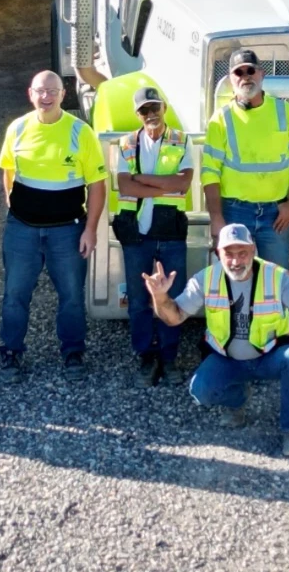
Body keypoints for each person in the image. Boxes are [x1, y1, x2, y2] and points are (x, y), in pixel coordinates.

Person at [143, 223, 289, 458]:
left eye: (242, 253)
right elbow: (174, 317)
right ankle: (238, 400)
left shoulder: (276, 276)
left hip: (268, 356)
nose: (236, 261)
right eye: (229, 254)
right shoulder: (205, 279)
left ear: (254, 249)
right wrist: (160, 296)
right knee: (200, 391)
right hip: (228, 359)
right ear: (218, 254)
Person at [0, 70, 107, 382]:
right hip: (22, 229)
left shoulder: (80, 132)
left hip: (67, 231)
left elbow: (98, 185)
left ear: (63, 94)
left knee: (71, 294)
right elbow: (8, 172)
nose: (46, 97)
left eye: (52, 91)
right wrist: (13, 205)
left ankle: (73, 351)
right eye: (40, 91)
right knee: (15, 293)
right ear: (30, 93)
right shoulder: (17, 129)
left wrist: (90, 229)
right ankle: (11, 352)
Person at [202, 49, 289, 267]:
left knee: (276, 278)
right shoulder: (221, 118)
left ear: (261, 74)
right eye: (238, 73)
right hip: (235, 211)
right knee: (236, 279)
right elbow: (210, 172)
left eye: (250, 70)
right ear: (231, 80)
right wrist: (216, 217)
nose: (245, 76)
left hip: (276, 214)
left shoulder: (284, 111)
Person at [115, 86, 194, 387]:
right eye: (144, 110)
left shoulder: (181, 140)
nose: (151, 114)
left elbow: (184, 183)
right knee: (138, 300)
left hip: (170, 231)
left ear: (164, 107)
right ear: (138, 114)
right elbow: (125, 187)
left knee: (174, 297)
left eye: (155, 107)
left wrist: (141, 179)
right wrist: (165, 185)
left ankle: (170, 357)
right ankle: (147, 356)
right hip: (137, 235)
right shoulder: (125, 144)